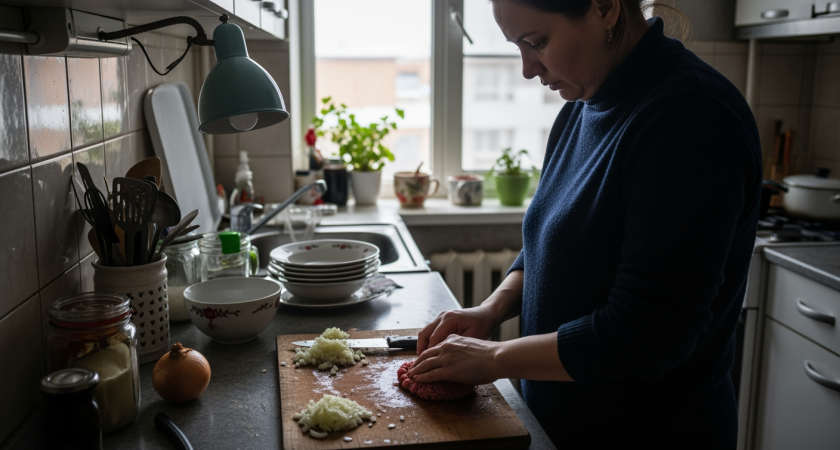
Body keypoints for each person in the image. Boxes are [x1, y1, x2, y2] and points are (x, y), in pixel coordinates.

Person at [407, 0, 761, 448]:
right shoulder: (582, 103)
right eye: (517, 46)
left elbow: (648, 333)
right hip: (565, 427)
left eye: (536, 42)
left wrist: (495, 357)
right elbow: (552, 240)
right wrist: (491, 310)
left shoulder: (691, 117)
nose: (527, 69)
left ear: (604, 9)